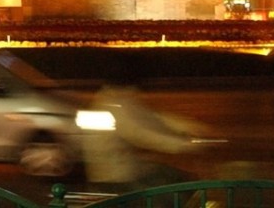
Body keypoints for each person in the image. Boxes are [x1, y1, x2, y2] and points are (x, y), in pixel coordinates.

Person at [81, 77, 215, 192]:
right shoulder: (115, 107)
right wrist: (186, 145)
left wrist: (191, 127)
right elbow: (143, 135)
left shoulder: (113, 101)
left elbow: (152, 118)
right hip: (115, 180)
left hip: (124, 170)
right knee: (176, 187)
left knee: (170, 174)